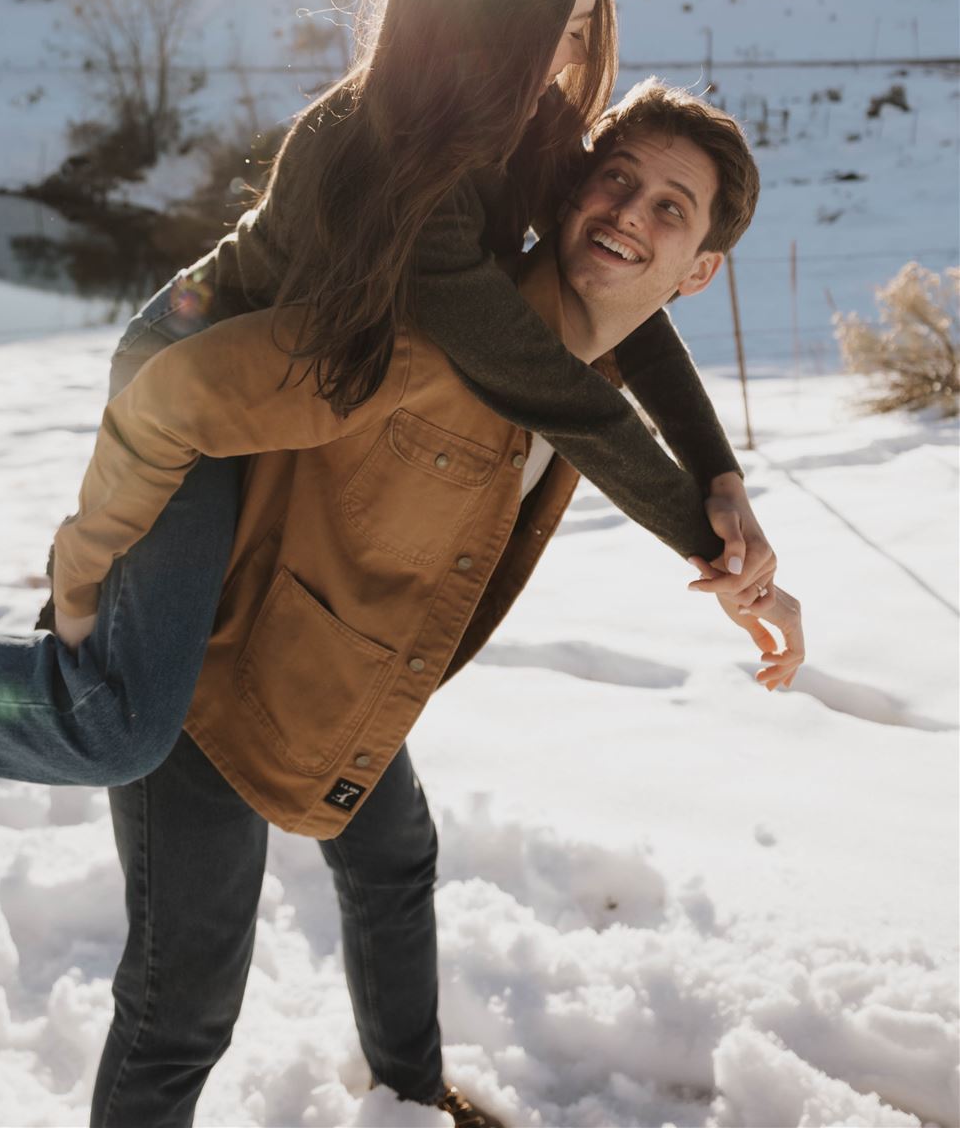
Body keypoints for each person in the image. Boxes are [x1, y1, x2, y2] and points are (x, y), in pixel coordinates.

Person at [0, 0, 777, 813]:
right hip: (197, 389)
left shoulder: (522, 128)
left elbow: (619, 305)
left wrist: (719, 474)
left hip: (292, 398)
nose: (573, 58)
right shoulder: (393, 153)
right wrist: (704, 538)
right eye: (559, 21)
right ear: (493, 13)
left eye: (589, 29)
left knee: (145, 681)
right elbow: (544, 378)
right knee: (119, 720)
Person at [57, 81, 803, 1125]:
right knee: (183, 1002)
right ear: (570, 189)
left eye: (670, 209)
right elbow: (173, 390)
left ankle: (410, 1094)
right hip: (207, 664)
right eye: (616, 179)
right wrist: (82, 575)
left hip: (334, 670)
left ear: (701, 271)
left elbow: (611, 355)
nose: (630, 212)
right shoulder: (439, 322)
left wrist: (720, 504)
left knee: (395, 855)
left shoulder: (578, 351)